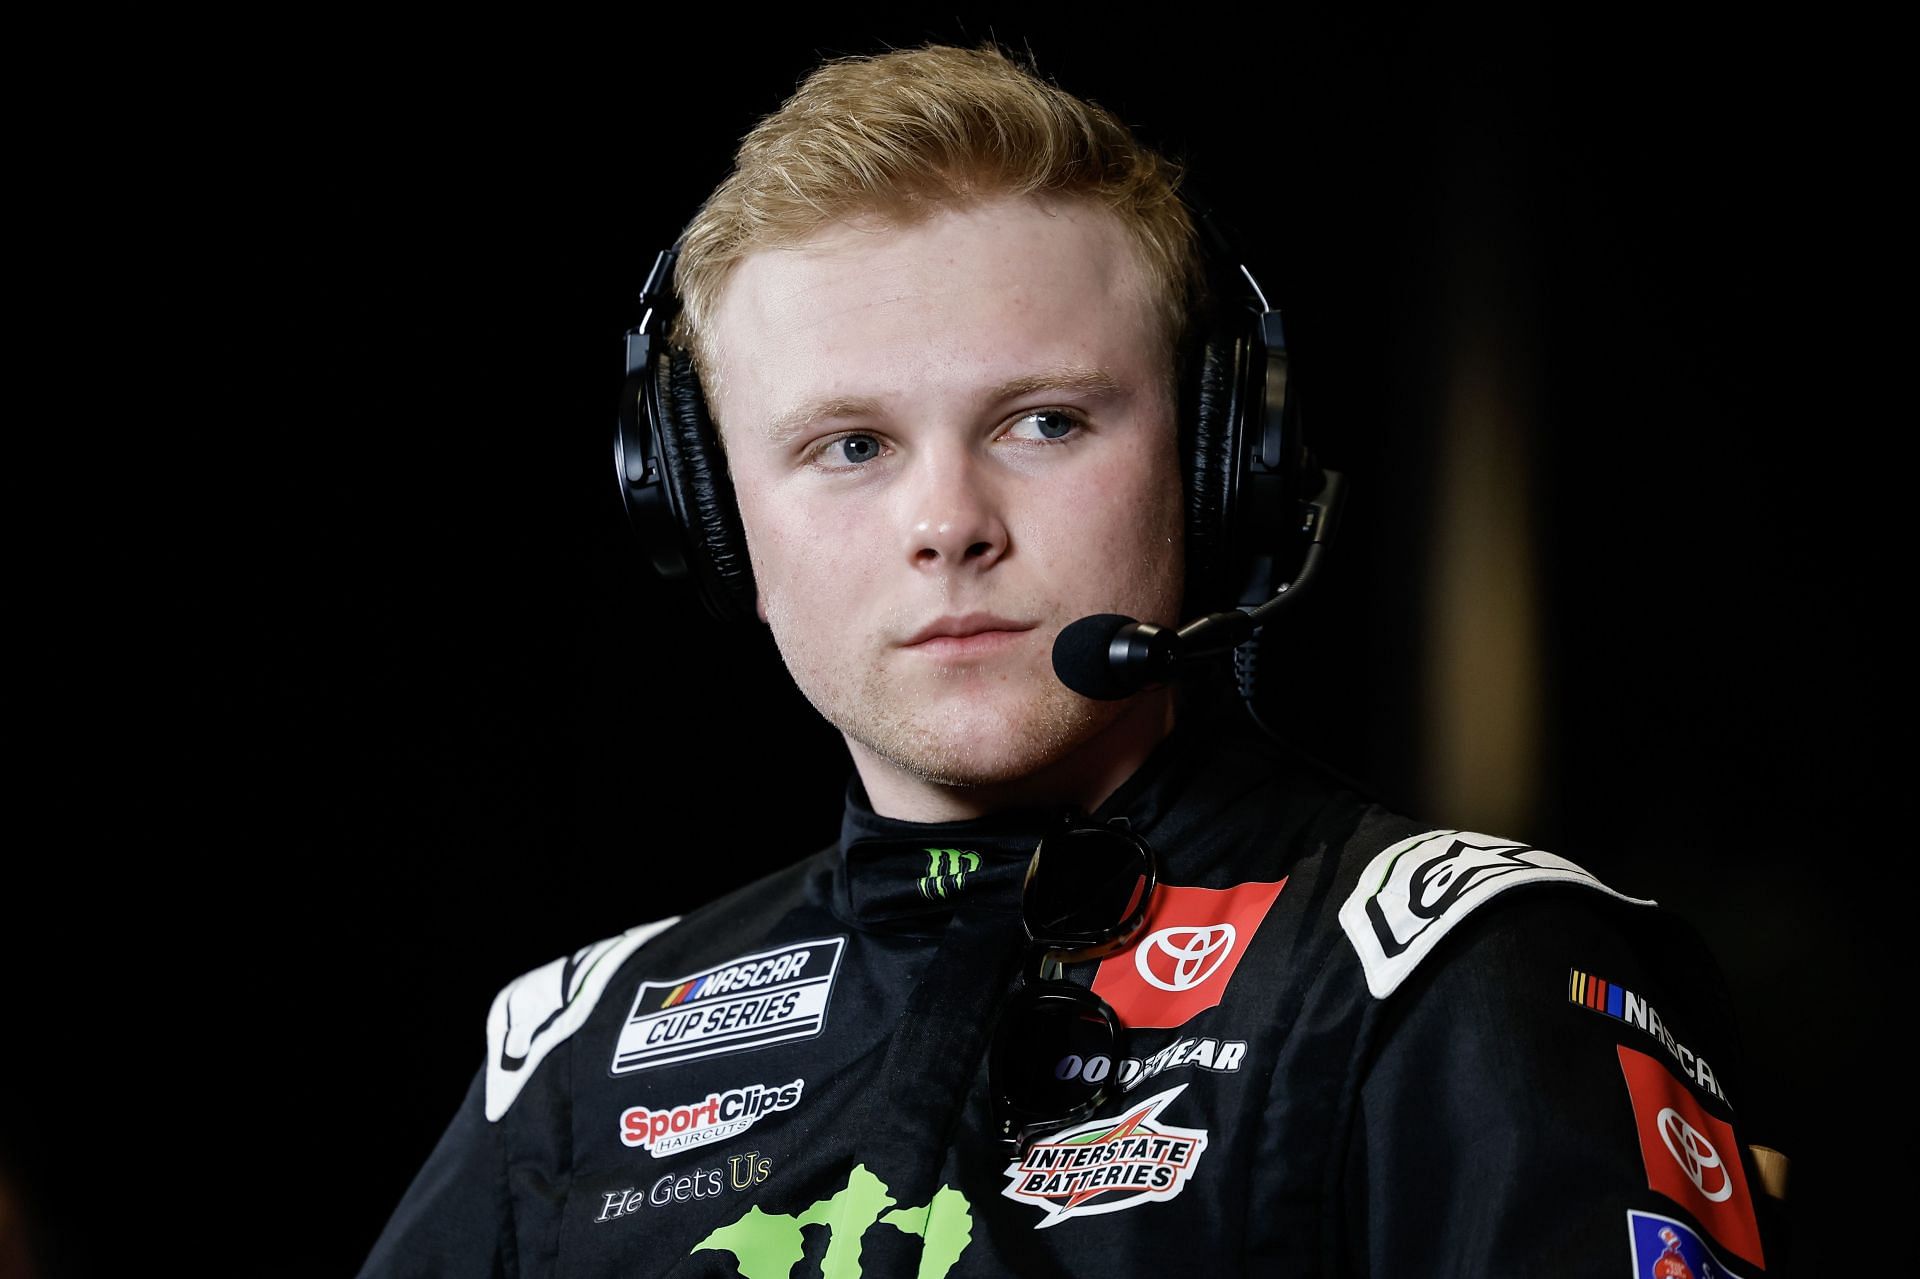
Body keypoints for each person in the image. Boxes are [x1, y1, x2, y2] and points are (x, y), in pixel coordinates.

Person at [360, 43, 1787, 1277]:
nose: (946, 525)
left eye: (1043, 421)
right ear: (705, 512)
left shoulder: (1450, 980)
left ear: (1224, 460)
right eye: (847, 446)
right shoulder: (569, 1060)